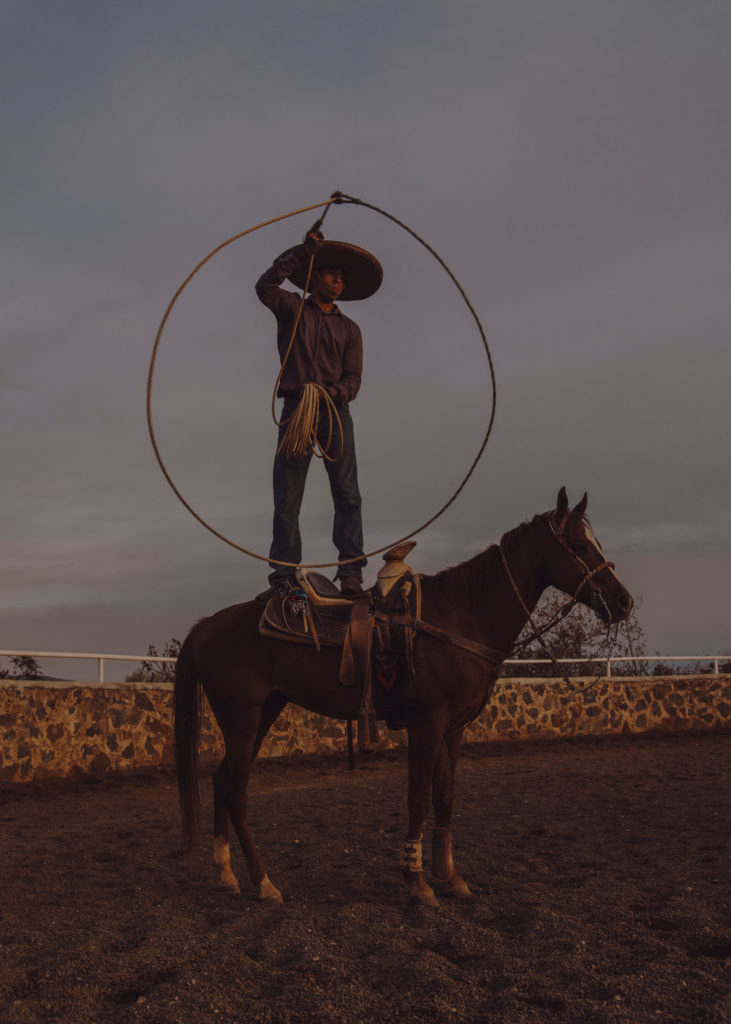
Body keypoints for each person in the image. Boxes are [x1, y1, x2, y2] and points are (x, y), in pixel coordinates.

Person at [255, 229, 383, 598]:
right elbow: (264, 288)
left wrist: (330, 393)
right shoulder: (292, 309)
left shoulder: (350, 329)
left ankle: (352, 572)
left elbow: (353, 379)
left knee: (347, 493)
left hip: (335, 411)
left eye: (342, 277)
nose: (338, 281)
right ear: (315, 276)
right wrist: (298, 252)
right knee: (288, 496)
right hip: (297, 409)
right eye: (332, 274)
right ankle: (283, 573)